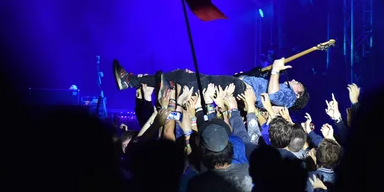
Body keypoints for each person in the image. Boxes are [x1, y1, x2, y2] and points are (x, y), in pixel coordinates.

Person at [112, 58, 309, 110]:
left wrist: (276, 70)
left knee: (190, 80)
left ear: (299, 94)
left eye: (299, 84)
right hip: (237, 84)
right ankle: (131, 80)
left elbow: (272, 95)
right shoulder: (285, 89)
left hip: (239, 90)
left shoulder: (289, 98)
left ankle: (132, 81)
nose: (296, 81)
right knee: (184, 75)